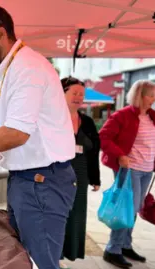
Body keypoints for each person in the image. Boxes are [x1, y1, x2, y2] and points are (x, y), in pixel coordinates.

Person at [0, 3, 77, 269]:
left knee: (39, 263)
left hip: (42, 181)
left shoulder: (28, 67)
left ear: (1, 34)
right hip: (29, 180)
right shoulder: (6, 68)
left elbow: (17, 132)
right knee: (22, 259)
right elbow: (1, 123)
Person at [99, 80, 155, 268]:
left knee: (134, 208)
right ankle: (112, 249)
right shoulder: (122, 115)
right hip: (129, 170)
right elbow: (104, 137)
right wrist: (120, 155)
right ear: (139, 95)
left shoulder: (152, 118)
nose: (154, 99)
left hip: (146, 170)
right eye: (150, 95)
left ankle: (125, 245)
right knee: (126, 208)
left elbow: (152, 145)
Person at [59, 77, 101, 268]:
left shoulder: (88, 122)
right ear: (63, 92)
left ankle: (67, 253)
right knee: (57, 213)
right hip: (57, 172)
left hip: (81, 174)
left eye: (81, 94)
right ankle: (53, 253)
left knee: (76, 214)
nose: (78, 97)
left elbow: (94, 151)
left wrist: (95, 178)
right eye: (74, 93)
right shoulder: (52, 117)